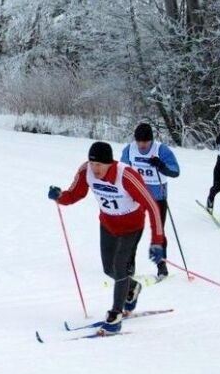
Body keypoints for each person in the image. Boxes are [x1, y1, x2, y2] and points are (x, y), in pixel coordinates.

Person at [48, 141, 165, 334]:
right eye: (92, 164)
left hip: (132, 226)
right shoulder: (85, 171)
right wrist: (59, 196)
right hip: (108, 224)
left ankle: (115, 315)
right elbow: (75, 194)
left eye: (99, 165)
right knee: (108, 269)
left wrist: (157, 240)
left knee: (120, 266)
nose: (95, 169)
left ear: (110, 163)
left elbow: (152, 205)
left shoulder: (126, 176)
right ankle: (132, 287)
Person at [120, 123, 180, 280]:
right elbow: (122, 171)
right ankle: (129, 265)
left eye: (145, 142)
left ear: (151, 140)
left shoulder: (161, 150)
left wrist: (160, 165)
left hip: (157, 197)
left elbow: (175, 171)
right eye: (139, 141)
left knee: (159, 232)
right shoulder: (129, 150)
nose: (142, 145)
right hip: (137, 197)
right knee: (133, 232)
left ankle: (162, 266)